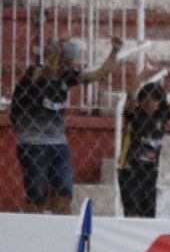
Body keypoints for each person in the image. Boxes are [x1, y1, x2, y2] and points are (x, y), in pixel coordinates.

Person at [11, 36, 123, 214]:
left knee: (64, 193)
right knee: (37, 196)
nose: (70, 66)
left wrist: (114, 52)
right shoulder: (35, 72)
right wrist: (57, 54)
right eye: (67, 61)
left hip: (58, 143)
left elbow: (97, 75)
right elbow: (47, 72)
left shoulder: (66, 77)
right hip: (33, 142)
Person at [117, 61, 170, 218]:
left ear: (161, 101)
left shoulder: (162, 116)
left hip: (150, 171)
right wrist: (144, 73)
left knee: (148, 216)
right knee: (133, 214)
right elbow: (130, 94)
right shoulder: (133, 114)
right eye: (148, 98)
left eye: (156, 98)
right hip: (130, 169)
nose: (151, 102)